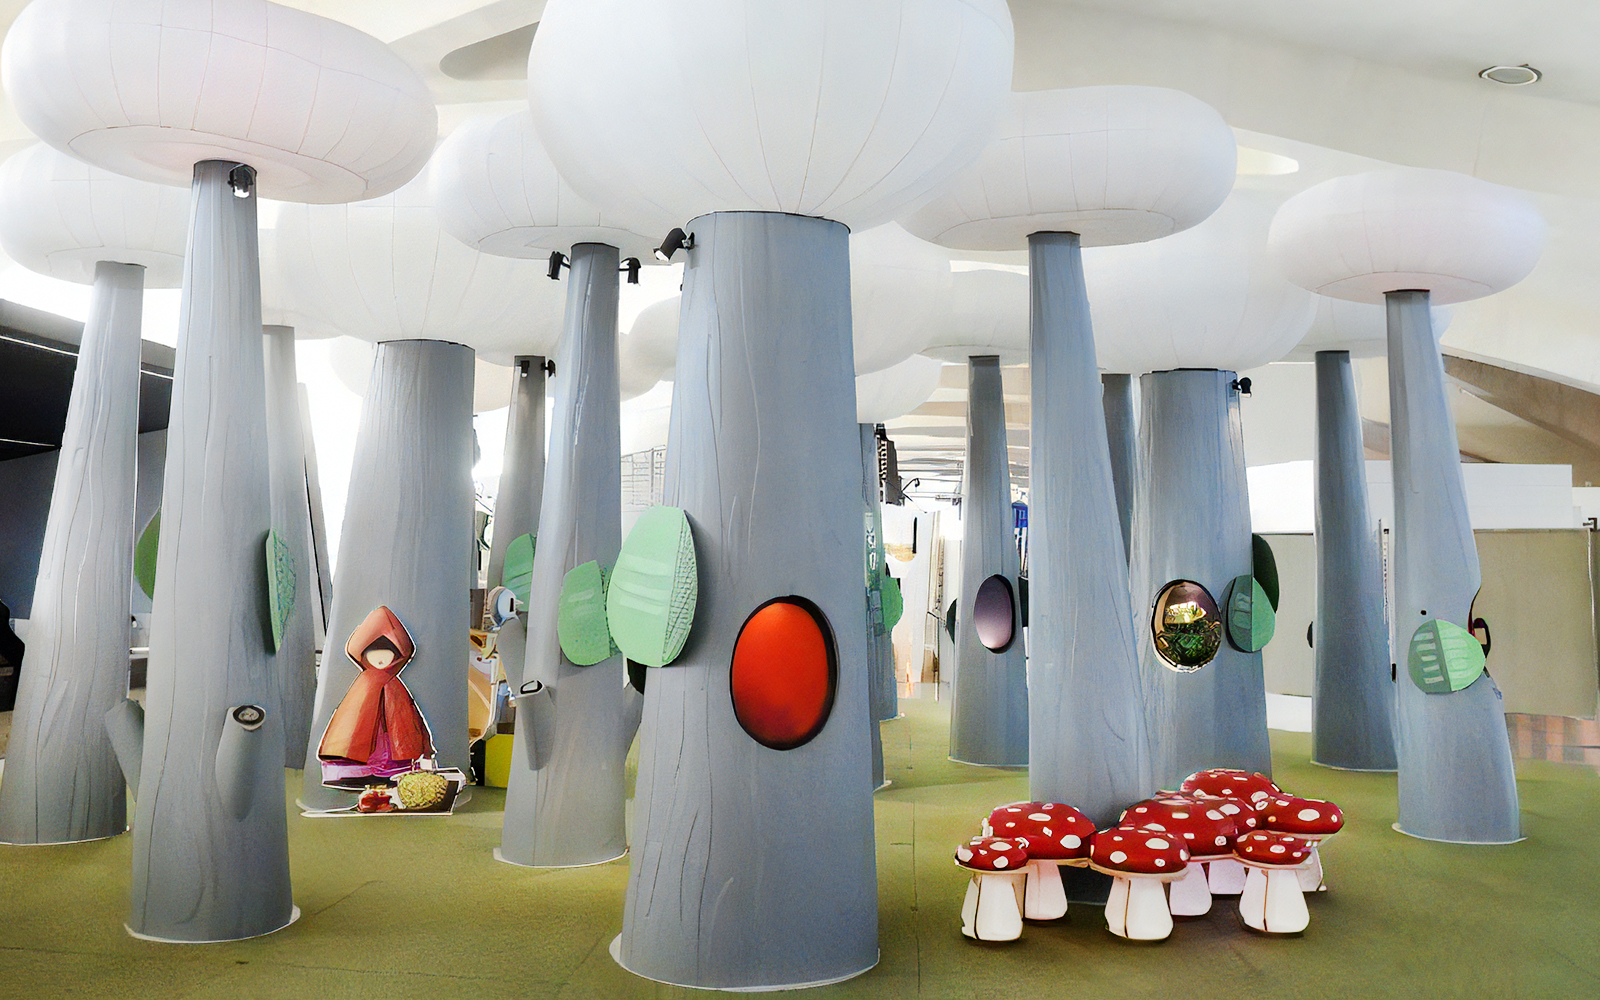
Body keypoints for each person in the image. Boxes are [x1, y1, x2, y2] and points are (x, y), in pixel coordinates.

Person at [317, 605, 434, 788]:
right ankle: (362, 771)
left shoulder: (396, 687)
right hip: (369, 741)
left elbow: (409, 719)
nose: (380, 659)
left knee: (388, 749)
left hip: (390, 738)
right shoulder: (363, 686)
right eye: (374, 654)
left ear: (397, 656)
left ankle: (389, 771)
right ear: (364, 655)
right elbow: (349, 721)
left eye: (387, 654)